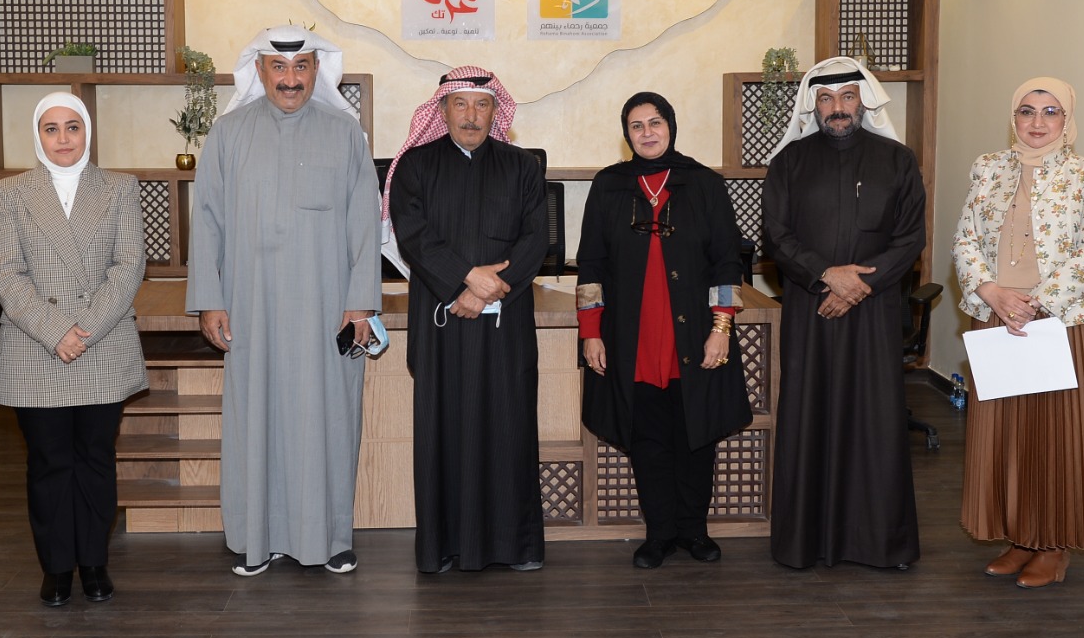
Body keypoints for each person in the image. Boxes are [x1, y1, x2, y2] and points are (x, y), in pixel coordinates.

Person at [187, 25, 381, 576]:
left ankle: (331, 538)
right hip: (252, 307)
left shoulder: (346, 133)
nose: (290, 79)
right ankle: (259, 538)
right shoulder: (228, 134)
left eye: (300, 68)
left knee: (329, 419)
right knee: (257, 421)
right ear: (260, 70)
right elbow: (207, 221)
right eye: (278, 67)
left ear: (317, 70)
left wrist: (361, 303)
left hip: (328, 310)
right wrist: (209, 300)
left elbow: (365, 223)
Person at [952, 77, 1084, 589]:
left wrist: (1036, 303)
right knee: (1009, 437)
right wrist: (990, 292)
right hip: (999, 317)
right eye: (1027, 111)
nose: (1037, 122)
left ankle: (1054, 546)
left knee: (1060, 439)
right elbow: (965, 239)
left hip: (1069, 324)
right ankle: (1021, 538)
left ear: (1067, 120)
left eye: (1051, 112)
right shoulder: (988, 168)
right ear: (1014, 117)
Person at [760, 56, 926, 571]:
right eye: (827, 98)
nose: (838, 108)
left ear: (863, 102)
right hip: (811, 309)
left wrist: (858, 286)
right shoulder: (789, 163)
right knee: (807, 416)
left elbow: (911, 238)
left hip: (874, 313)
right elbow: (776, 237)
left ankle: (878, 544)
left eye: (848, 97)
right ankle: (804, 543)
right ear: (813, 105)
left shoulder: (897, 160)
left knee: (874, 420)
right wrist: (825, 275)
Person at [576, 92, 752, 569]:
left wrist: (722, 328)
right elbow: (590, 266)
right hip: (631, 338)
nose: (647, 132)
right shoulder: (609, 186)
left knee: (697, 435)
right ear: (626, 134)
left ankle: (694, 531)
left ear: (671, 126)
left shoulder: (704, 184)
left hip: (695, 335)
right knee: (648, 439)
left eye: (655, 122)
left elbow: (727, 263)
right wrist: (591, 332)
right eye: (637, 125)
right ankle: (659, 535)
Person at [385, 67, 549, 573]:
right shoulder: (415, 166)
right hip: (442, 321)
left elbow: (535, 238)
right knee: (444, 430)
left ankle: (515, 547)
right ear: (442, 110)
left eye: (482, 105)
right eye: (461, 105)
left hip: (505, 324)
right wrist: (464, 281)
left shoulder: (522, 166)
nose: (471, 116)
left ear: (496, 111)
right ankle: (443, 548)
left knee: (508, 428)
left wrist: (486, 291)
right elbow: (414, 235)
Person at [0, 93, 148, 607]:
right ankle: (56, 568)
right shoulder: (9, 193)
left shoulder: (120, 188)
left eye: (73, 127)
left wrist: (84, 329)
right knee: (48, 461)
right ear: (38, 136)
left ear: (87, 132)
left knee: (96, 459)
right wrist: (56, 330)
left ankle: (95, 562)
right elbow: (6, 273)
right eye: (52, 128)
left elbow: (129, 266)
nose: (63, 138)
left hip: (102, 342)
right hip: (37, 346)